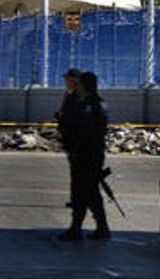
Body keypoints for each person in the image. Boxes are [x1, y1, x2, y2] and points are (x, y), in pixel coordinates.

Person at [58, 71, 110, 241]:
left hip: (86, 154)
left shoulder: (90, 105)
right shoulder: (94, 103)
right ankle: (98, 227)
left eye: (79, 84)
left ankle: (78, 228)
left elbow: (85, 132)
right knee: (89, 191)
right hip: (89, 153)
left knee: (84, 191)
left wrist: (74, 148)